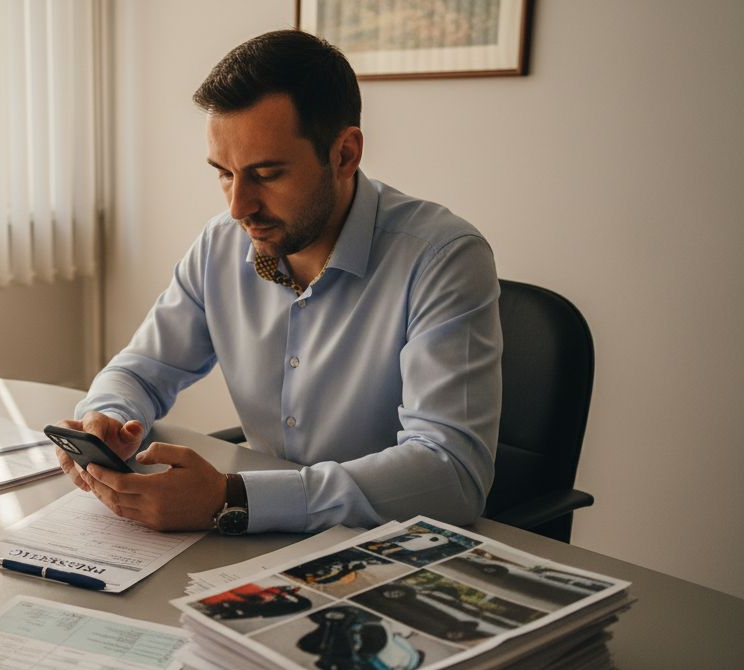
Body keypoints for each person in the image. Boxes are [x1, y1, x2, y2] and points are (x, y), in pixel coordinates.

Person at [54, 29, 502, 535]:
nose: (238, 207)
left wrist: (234, 498)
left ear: (345, 154)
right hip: (258, 544)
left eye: (265, 174)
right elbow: (140, 371)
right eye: (224, 173)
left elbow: (452, 475)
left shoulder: (442, 258)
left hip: (389, 550)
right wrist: (107, 419)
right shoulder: (221, 244)